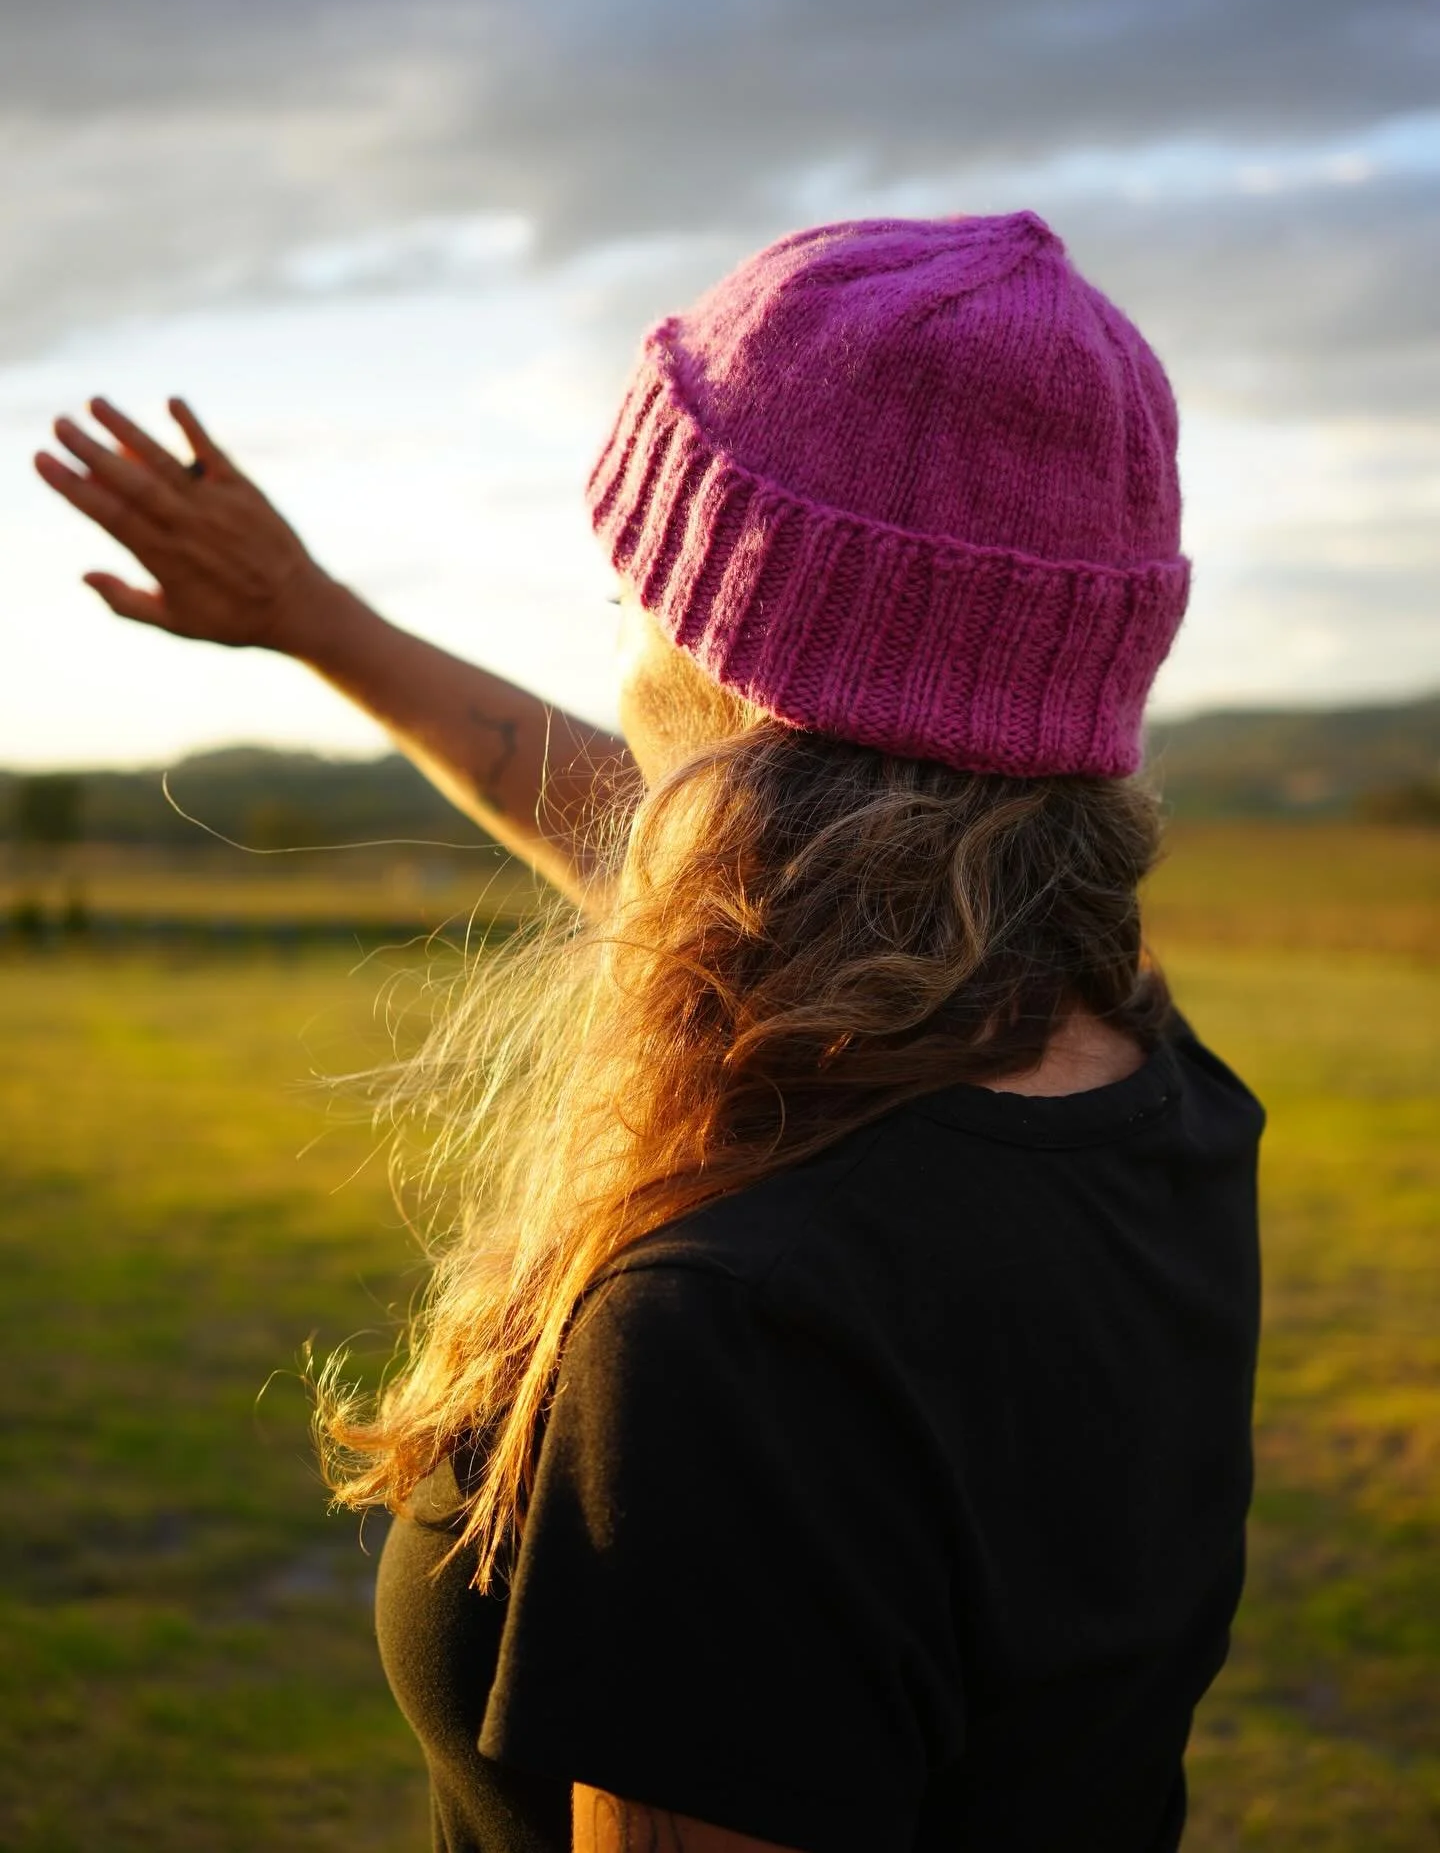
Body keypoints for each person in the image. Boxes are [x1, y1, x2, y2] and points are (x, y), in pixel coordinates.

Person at [36, 209, 1265, 1853]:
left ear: (722, 666)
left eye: (640, 575)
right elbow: (691, 842)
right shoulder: (1143, 1080)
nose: (618, 618)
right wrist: (318, 617)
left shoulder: (732, 1333)